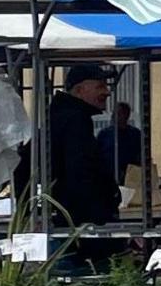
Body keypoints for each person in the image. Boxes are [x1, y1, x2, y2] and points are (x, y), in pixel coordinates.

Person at [45, 65, 123, 230]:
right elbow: (80, 171)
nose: (107, 92)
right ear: (79, 90)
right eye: (100, 86)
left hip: (72, 217)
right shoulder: (74, 121)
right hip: (79, 222)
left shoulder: (66, 117)